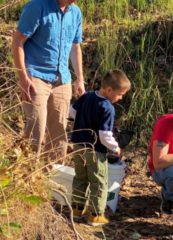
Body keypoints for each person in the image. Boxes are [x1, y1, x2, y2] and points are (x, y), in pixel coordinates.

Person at [11, 0, 85, 160]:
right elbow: (17, 41)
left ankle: (48, 179)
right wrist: (23, 77)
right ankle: (27, 177)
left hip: (62, 80)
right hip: (36, 77)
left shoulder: (76, 12)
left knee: (59, 136)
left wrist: (80, 78)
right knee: (35, 131)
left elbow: (75, 47)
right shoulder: (37, 7)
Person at [69, 70, 131, 226]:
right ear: (109, 90)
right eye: (120, 94)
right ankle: (96, 215)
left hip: (77, 145)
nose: (121, 98)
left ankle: (77, 208)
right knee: (99, 182)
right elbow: (105, 135)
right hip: (95, 150)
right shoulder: (107, 108)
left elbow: (72, 111)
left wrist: (83, 122)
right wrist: (115, 148)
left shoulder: (86, 96)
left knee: (80, 177)